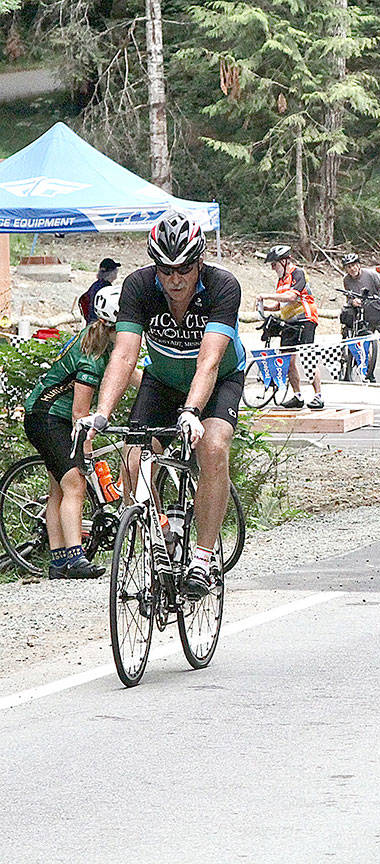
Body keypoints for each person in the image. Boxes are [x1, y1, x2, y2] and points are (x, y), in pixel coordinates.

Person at [79, 209, 248, 599]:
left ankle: (203, 559)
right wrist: (102, 413)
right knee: (132, 460)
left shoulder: (223, 286)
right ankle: (162, 533)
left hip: (218, 379)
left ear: (199, 261)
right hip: (164, 379)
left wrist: (191, 412)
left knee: (214, 447)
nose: (174, 279)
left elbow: (209, 360)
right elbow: (123, 356)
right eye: (165, 268)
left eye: (184, 268)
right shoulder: (139, 287)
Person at [24, 287, 122, 579]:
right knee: (76, 484)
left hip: (54, 417)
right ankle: (76, 559)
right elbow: (81, 414)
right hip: (47, 417)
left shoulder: (104, 342)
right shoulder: (91, 355)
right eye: (122, 328)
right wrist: (85, 453)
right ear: (109, 326)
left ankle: (58, 563)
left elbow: (129, 374)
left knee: (59, 489)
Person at [259, 245, 323, 409]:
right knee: (287, 359)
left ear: (285, 261)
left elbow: (292, 296)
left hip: (305, 318)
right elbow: (280, 304)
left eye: (275, 264)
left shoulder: (298, 273)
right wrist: (265, 307)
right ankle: (297, 396)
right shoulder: (280, 280)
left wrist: (267, 295)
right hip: (289, 321)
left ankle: (318, 395)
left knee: (307, 357)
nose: (273, 268)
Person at [340, 252, 380, 381]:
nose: (352, 269)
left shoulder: (370, 274)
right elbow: (349, 297)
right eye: (348, 267)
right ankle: (368, 374)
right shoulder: (346, 280)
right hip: (364, 317)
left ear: (359, 265)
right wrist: (352, 302)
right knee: (364, 347)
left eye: (354, 265)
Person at [77, 257, 121, 322]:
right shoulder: (106, 289)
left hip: (91, 319)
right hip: (97, 321)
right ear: (112, 273)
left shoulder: (96, 284)